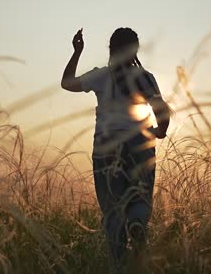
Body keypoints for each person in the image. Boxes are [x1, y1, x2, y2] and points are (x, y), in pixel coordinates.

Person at [61, 27, 172, 271]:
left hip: (106, 145)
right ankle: (137, 221)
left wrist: (77, 51)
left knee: (112, 210)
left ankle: (118, 266)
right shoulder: (145, 77)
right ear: (135, 50)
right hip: (140, 143)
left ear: (111, 49)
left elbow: (67, 83)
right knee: (140, 198)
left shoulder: (100, 76)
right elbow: (162, 112)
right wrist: (160, 132)